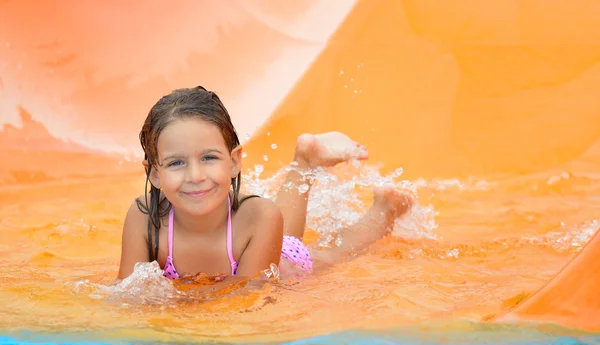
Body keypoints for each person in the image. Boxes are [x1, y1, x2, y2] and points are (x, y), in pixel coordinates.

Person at [117, 86, 413, 281]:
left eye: (209, 158)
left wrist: (178, 301)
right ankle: (305, 161)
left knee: (325, 254)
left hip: (283, 267)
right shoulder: (144, 217)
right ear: (154, 173)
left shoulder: (259, 216)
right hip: (262, 243)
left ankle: (383, 210)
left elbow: (246, 297)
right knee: (283, 234)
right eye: (176, 163)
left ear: (234, 162)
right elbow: (127, 292)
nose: (195, 176)